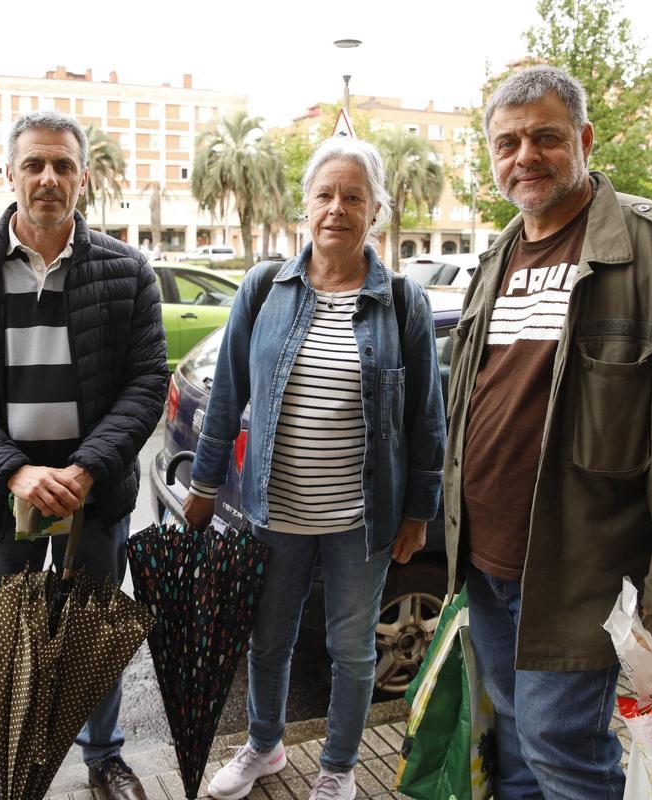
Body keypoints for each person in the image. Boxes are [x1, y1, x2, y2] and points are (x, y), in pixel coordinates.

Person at [443, 65, 652, 799]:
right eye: (507, 143)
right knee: (513, 743)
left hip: (580, 571)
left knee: (561, 749)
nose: (525, 157)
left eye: (545, 137)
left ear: (585, 139)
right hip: (488, 561)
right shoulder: (497, 256)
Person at [184, 137, 446, 800]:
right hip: (275, 511)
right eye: (325, 195)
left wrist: (419, 512)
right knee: (268, 641)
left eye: (353, 197)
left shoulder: (404, 303)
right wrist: (204, 484)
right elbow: (227, 395)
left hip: (362, 520)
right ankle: (264, 747)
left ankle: (338, 766)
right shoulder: (264, 288)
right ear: (305, 206)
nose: (337, 208)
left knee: (351, 650)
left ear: (376, 211)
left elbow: (426, 420)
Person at [0, 110, 169, 800]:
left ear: (83, 177)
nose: (48, 178)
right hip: (2, 492)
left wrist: (87, 469)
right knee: (1, 640)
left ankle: (104, 758)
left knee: (91, 635)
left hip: (96, 493)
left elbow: (147, 382)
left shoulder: (127, 270)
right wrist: (15, 471)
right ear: (10, 173)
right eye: (34, 164)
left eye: (63, 165)